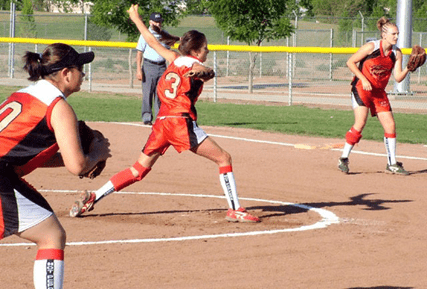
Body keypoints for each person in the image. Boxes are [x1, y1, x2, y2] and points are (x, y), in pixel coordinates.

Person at [69, 3, 260, 223]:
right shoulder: (193, 64)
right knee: (224, 158)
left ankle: (94, 196)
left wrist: (135, 18)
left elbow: (150, 40)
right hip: (179, 122)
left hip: (161, 123)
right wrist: (207, 71)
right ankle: (234, 209)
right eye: (205, 48)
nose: (207, 50)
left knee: (138, 170)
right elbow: (201, 71)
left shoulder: (173, 58)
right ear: (196, 51)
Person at [0, 43, 111, 288]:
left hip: (5, 172)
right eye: (80, 68)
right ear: (66, 73)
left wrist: (77, 157)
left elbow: (27, 155)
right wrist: (97, 153)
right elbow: (78, 166)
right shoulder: (58, 107)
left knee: (51, 233)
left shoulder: (24, 93)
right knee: (52, 236)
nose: (83, 74)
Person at [338, 17, 411, 175]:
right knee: (360, 123)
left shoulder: (396, 53)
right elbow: (350, 62)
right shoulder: (371, 47)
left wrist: (408, 69)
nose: (396, 37)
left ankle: (392, 163)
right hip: (361, 89)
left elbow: (398, 78)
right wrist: (363, 79)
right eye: (393, 34)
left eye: (398, 34)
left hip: (378, 92)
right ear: (384, 35)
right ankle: (344, 158)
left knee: (390, 125)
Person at [136, 12, 179, 125]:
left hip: (162, 66)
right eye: (156, 21)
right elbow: (139, 53)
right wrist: (139, 70)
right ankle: (147, 118)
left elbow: (170, 51)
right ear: (150, 22)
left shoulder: (164, 34)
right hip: (149, 65)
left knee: (160, 93)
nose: (158, 23)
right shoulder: (145, 34)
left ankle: (160, 117)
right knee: (148, 93)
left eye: (159, 21)